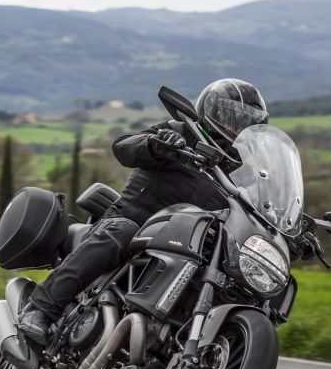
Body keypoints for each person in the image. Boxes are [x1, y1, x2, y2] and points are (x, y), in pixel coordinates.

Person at [17, 78, 270, 344]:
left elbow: (263, 206)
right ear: (211, 111)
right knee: (121, 230)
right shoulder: (182, 132)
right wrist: (155, 146)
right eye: (230, 115)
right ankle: (40, 309)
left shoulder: (244, 170)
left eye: (246, 120)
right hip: (135, 221)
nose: (236, 125)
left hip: (189, 244)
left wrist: (294, 227)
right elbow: (123, 147)